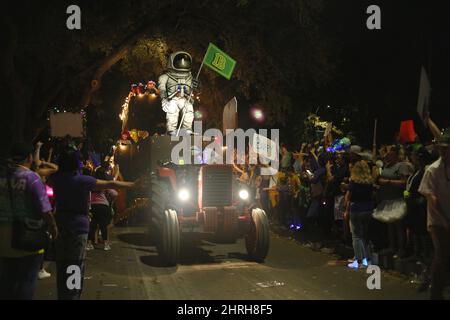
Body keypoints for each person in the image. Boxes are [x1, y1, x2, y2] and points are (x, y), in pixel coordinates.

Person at [50, 147, 141, 300]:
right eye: (80, 161)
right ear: (75, 164)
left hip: (61, 225)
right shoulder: (82, 180)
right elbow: (109, 184)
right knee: (75, 264)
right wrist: (132, 185)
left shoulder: (57, 179)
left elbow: (46, 166)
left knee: (62, 264)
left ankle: (63, 296)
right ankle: (72, 296)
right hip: (78, 228)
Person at [0, 142, 58, 299]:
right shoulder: (32, 178)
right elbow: (45, 210)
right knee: (26, 282)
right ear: (29, 157)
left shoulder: (2, 175)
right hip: (27, 239)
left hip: (3, 239)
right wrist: (53, 229)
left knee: (6, 283)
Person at [418, 127, 450, 300]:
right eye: (442, 148)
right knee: (442, 253)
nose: (444, 151)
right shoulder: (432, 170)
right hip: (438, 221)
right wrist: (445, 220)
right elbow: (432, 198)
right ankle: (435, 293)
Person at [377, 145, 411, 257]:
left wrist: (388, 182)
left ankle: (401, 248)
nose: (388, 156)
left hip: (397, 199)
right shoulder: (386, 166)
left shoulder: (401, 166)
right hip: (387, 199)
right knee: (390, 225)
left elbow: (403, 182)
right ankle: (392, 246)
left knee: (399, 226)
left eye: (390, 154)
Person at [345, 160, 374, 269]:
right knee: (365, 235)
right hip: (368, 208)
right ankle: (368, 259)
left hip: (356, 208)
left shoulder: (353, 181)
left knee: (356, 236)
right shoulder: (369, 181)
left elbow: (348, 197)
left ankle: (359, 260)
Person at [158, 51, 195, 135]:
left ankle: (187, 129)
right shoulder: (165, 77)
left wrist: (197, 85)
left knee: (189, 109)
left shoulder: (190, 77)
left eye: (185, 62)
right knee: (172, 110)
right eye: (179, 62)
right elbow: (162, 89)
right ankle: (171, 129)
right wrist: (164, 100)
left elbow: (195, 89)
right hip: (173, 99)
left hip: (184, 98)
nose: (182, 63)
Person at [87, 167, 118, 251]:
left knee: (92, 226)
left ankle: (89, 244)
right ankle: (106, 245)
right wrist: (110, 200)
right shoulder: (104, 184)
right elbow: (114, 194)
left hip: (93, 206)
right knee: (103, 226)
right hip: (103, 206)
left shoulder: (92, 184)